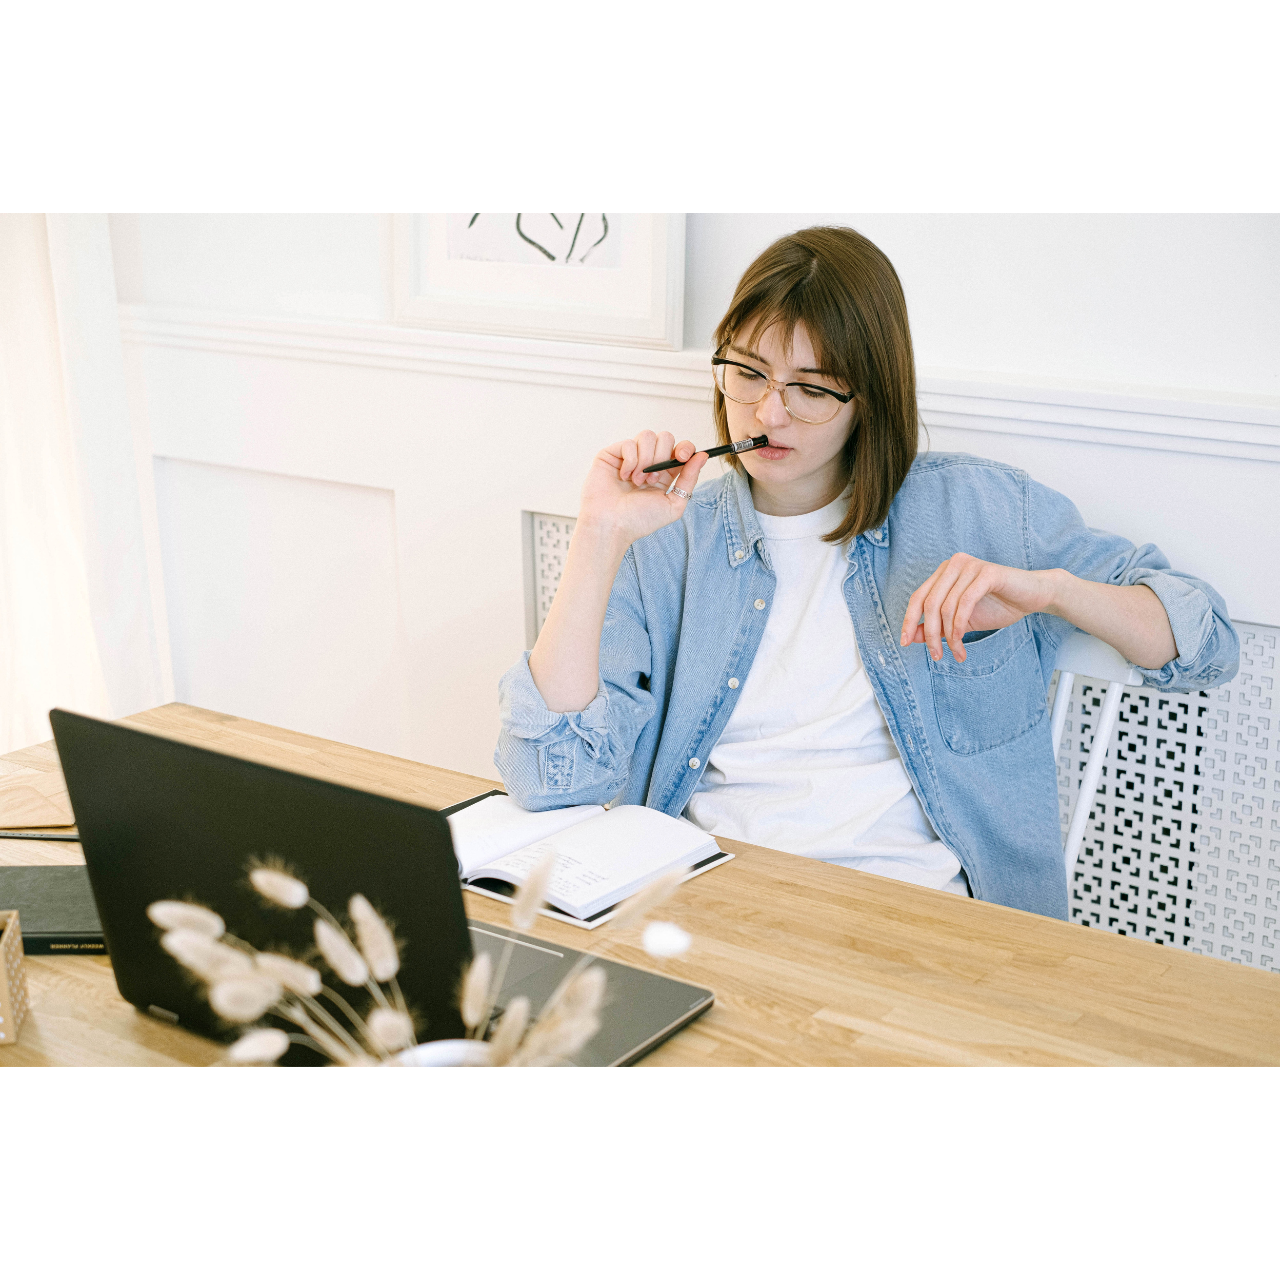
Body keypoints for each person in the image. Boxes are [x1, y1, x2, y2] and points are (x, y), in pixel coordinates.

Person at [494, 226, 1238, 920]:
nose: (767, 414)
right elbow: (552, 778)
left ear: (869, 397)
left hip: (917, 916)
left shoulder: (979, 508)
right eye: (746, 373)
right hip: (715, 900)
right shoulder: (668, 540)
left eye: (812, 389)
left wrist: (1052, 591)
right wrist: (598, 535)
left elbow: (1205, 644)